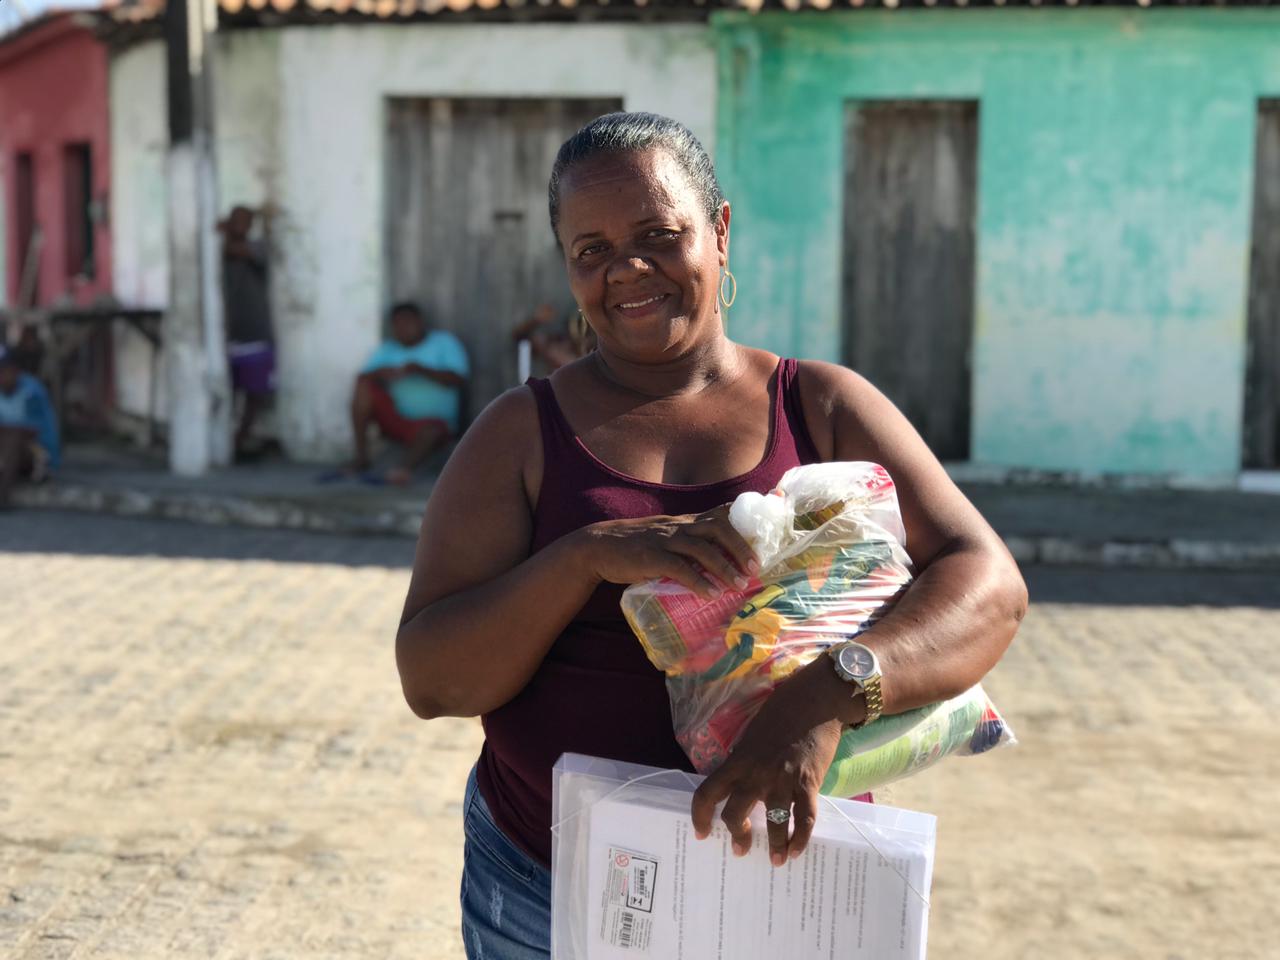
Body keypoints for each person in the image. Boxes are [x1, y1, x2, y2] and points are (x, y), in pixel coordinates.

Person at [394, 112, 1027, 959]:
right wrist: (582, 560)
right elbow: (432, 681)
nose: (627, 270)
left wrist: (825, 696)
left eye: (659, 235)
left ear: (719, 231)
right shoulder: (520, 435)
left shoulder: (822, 406)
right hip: (550, 892)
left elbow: (988, 584)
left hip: (785, 890)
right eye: (592, 251)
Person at [349, 301, 469, 486]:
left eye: (408, 322)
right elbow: (362, 377)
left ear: (420, 322)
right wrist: (381, 373)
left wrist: (421, 370)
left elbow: (458, 379)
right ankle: (361, 458)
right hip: (397, 420)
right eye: (398, 324)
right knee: (364, 386)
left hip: (433, 424)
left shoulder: (443, 342)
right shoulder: (389, 348)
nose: (403, 328)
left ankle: (403, 470)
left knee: (431, 431)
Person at [220, 204, 276, 461]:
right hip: (227, 334)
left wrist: (219, 235)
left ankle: (239, 440)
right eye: (236, 220)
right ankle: (225, 440)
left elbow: (236, 250)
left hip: (255, 331)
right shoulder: (218, 249)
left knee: (254, 394)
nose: (241, 226)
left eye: (246, 221)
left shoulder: (257, 248)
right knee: (225, 390)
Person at [0, 346, 59, 509]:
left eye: (2, 371)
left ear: (14, 370)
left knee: (13, 436)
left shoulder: (32, 391)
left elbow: (30, 431)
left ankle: (2, 496)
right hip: (9, 456)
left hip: (39, 457)